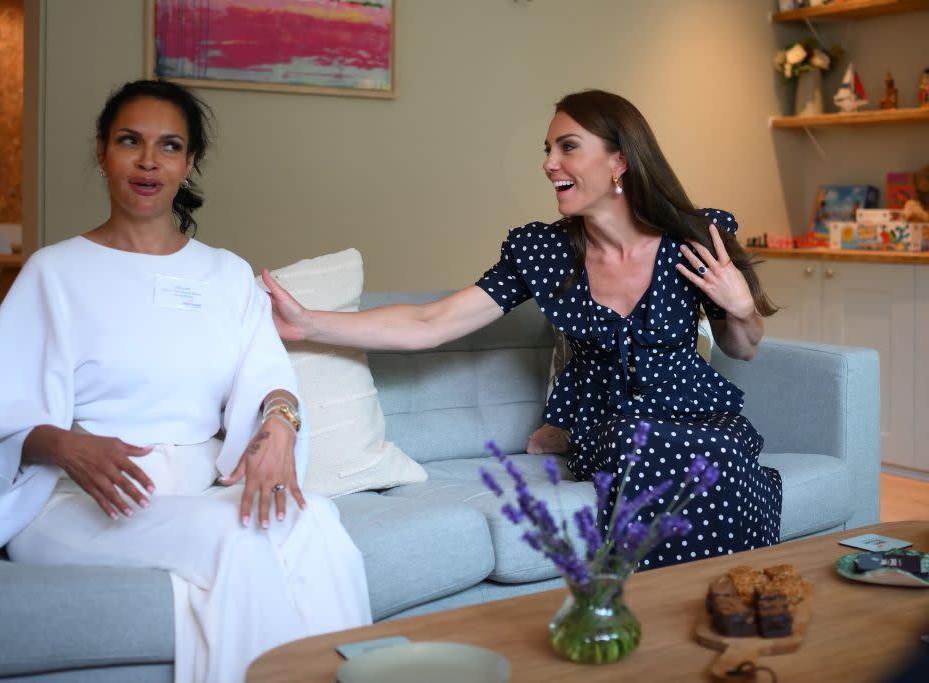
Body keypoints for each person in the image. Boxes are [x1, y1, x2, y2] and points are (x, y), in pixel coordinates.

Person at [0, 79, 371, 681]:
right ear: (103, 151)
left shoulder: (225, 275)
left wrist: (280, 423)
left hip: (196, 487)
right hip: (81, 500)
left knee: (318, 524)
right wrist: (65, 444)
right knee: (241, 539)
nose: (149, 161)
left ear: (189, 162)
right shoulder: (54, 272)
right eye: (130, 141)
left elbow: (268, 376)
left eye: (169, 146)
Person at [263, 89, 782, 570]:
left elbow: (744, 348)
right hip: (613, 429)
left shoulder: (696, 237)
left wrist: (739, 307)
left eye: (568, 147)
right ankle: (656, 606)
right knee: (641, 445)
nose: (549, 163)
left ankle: (731, 591)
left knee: (712, 454)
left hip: (702, 417)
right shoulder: (545, 252)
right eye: (549, 148)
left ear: (619, 161)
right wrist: (309, 323)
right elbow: (432, 322)